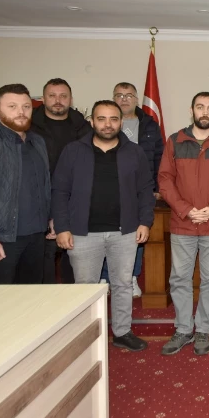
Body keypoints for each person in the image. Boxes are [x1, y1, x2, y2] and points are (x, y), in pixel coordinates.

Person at [52, 100, 154, 351]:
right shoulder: (73, 151)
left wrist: (145, 222)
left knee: (122, 285)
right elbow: (59, 191)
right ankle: (86, 336)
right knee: (85, 288)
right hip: (83, 233)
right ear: (92, 121)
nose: (108, 125)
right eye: (101, 119)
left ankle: (122, 332)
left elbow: (145, 191)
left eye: (113, 119)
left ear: (121, 122)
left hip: (125, 232)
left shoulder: (134, 152)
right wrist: (62, 227)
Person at [158, 92, 209, 356]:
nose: (205, 112)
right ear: (191, 110)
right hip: (183, 224)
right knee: (180, 279)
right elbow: (165, 180)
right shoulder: (175, 141)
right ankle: (183, 329)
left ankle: (203, 329)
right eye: (200, 107)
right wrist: (186, 210)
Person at [99, 82, 165, 297]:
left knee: (135, 235)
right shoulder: (105, 126)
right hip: (109, 189)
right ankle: (106, 277)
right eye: (119, 95)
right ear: (113, 99)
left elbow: (158, 157)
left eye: (129, 95)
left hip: (139, 189)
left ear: (137, 100)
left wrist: (156, 186)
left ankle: (132, 277)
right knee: (106, 233)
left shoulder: (149, 124)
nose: (124, 99)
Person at [31, 78, 90, 284]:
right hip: (38, 205)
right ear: (43, 98)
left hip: (76, 204)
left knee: (74, 263)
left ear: (71, 99)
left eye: (63, 96)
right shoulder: (29, 127)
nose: (58, 100)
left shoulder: (84, 128)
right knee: (43, 265)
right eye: (52, 95)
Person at [0, 84, 51, 284]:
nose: (21, 112)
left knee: (32, 299)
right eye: (12, 106)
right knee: (3, 303)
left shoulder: (37, 142)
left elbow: (44, 184)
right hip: (3, 240)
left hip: (36, 236)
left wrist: (50, 218)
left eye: (26, 107)